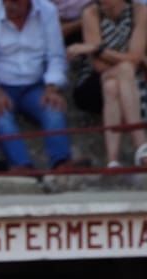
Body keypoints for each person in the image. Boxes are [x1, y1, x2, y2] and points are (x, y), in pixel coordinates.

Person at [0, 0, 71, 169]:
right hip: (1, 86)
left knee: (53, 108)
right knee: (2, 117)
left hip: (36, 84)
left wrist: (52, 87)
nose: (11, 4)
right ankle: (22, 166)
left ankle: (61, 163)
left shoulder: (47, 11)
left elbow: (56, 56)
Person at [68, 0, 147, 167]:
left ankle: (112, 160)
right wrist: (123, 61)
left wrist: (98, 49)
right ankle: (141, 146)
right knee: (124, 70)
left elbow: (135, 57)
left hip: (128, 79)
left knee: (112, 86)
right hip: (93, 80)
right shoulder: (91, 13)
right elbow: (98, 66)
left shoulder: (140, 11)